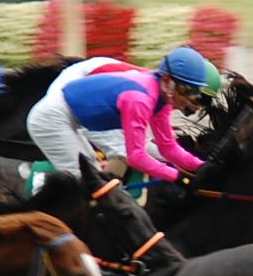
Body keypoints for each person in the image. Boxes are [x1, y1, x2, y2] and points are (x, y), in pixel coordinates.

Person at [26, 46, 207, 182]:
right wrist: (178, 177)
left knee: (95, 178)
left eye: (194, 92)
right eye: (186, 90)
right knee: (90, 184)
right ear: (167, 81)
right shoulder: (140, 99)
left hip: (73, 117)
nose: (188, 99)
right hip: (51, 118)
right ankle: (40, 189)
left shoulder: (163, 101)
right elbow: (136, 157)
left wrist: (202, 166)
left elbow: (168, 148)